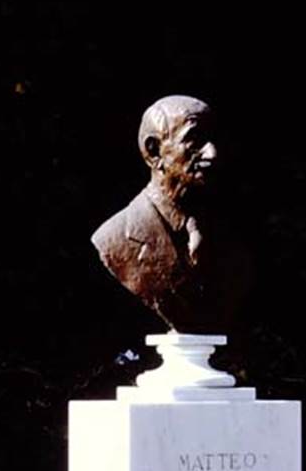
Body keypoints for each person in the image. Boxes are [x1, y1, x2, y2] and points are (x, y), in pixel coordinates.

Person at [91, 94, 253, 333]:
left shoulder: (229, 236)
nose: (212, 153)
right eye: (194, 140)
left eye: (213, 139)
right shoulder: (113, 238)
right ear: (154, 152)